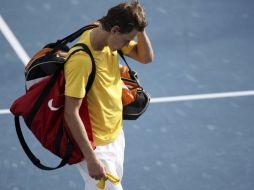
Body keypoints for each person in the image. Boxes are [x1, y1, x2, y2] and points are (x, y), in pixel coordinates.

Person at [64, 1, 154, 189]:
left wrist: (140, 29)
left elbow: (146, 57)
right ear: (114, 30)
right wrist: (92, 159)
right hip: (97, 146)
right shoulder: (81, 61)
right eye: (126, 40)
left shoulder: (106, 35)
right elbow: (70, 113)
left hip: (114, 134)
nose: (128, 45)